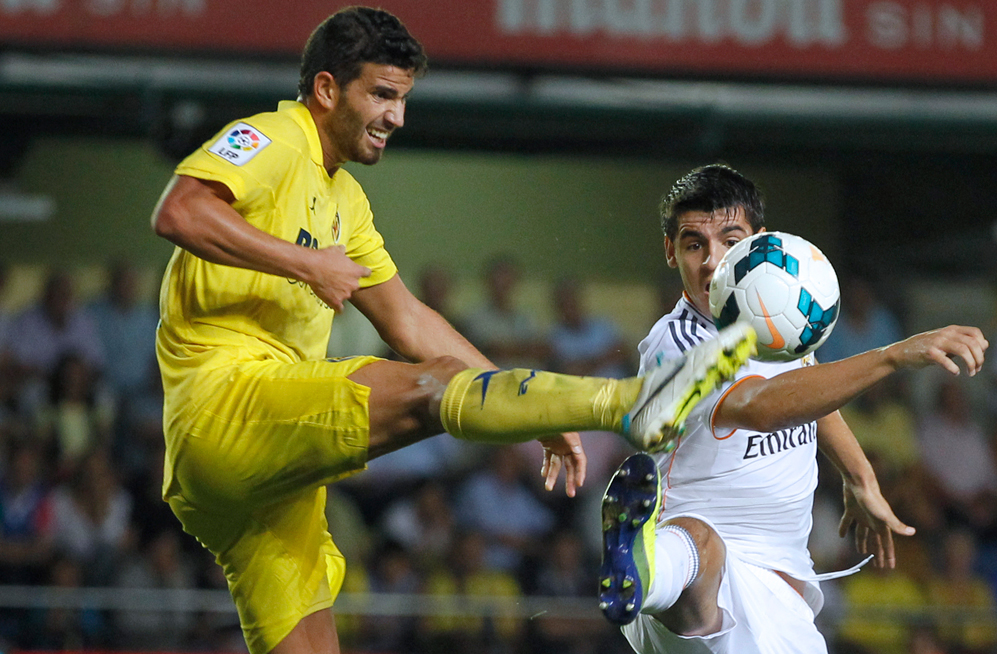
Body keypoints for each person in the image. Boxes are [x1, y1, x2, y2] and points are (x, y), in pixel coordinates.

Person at [149, 9, 756, 654]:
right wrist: (306, 263)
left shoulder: (346, 200)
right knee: (430, 389)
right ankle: (628, 402)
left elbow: (410, 321)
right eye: (382, 95)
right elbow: (180, 210)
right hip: (226, 409)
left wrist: (531, 409)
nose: (396, 118)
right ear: (327, 90)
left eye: (403, 99)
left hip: (266, 488)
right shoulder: (274, 138)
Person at [598, 164, 988, 654]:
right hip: (704, 585)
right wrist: (891, 355)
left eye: (729, 239)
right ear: (670, 252)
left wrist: (859, 477)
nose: (712, 261)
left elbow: (809, 393)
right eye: (694, 243)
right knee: (700, 542)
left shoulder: (773, 315)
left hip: (781, 597)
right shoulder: (676, 342)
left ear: (758, 240)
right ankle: (641, 572)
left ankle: (649, 573)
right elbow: (759, 407)